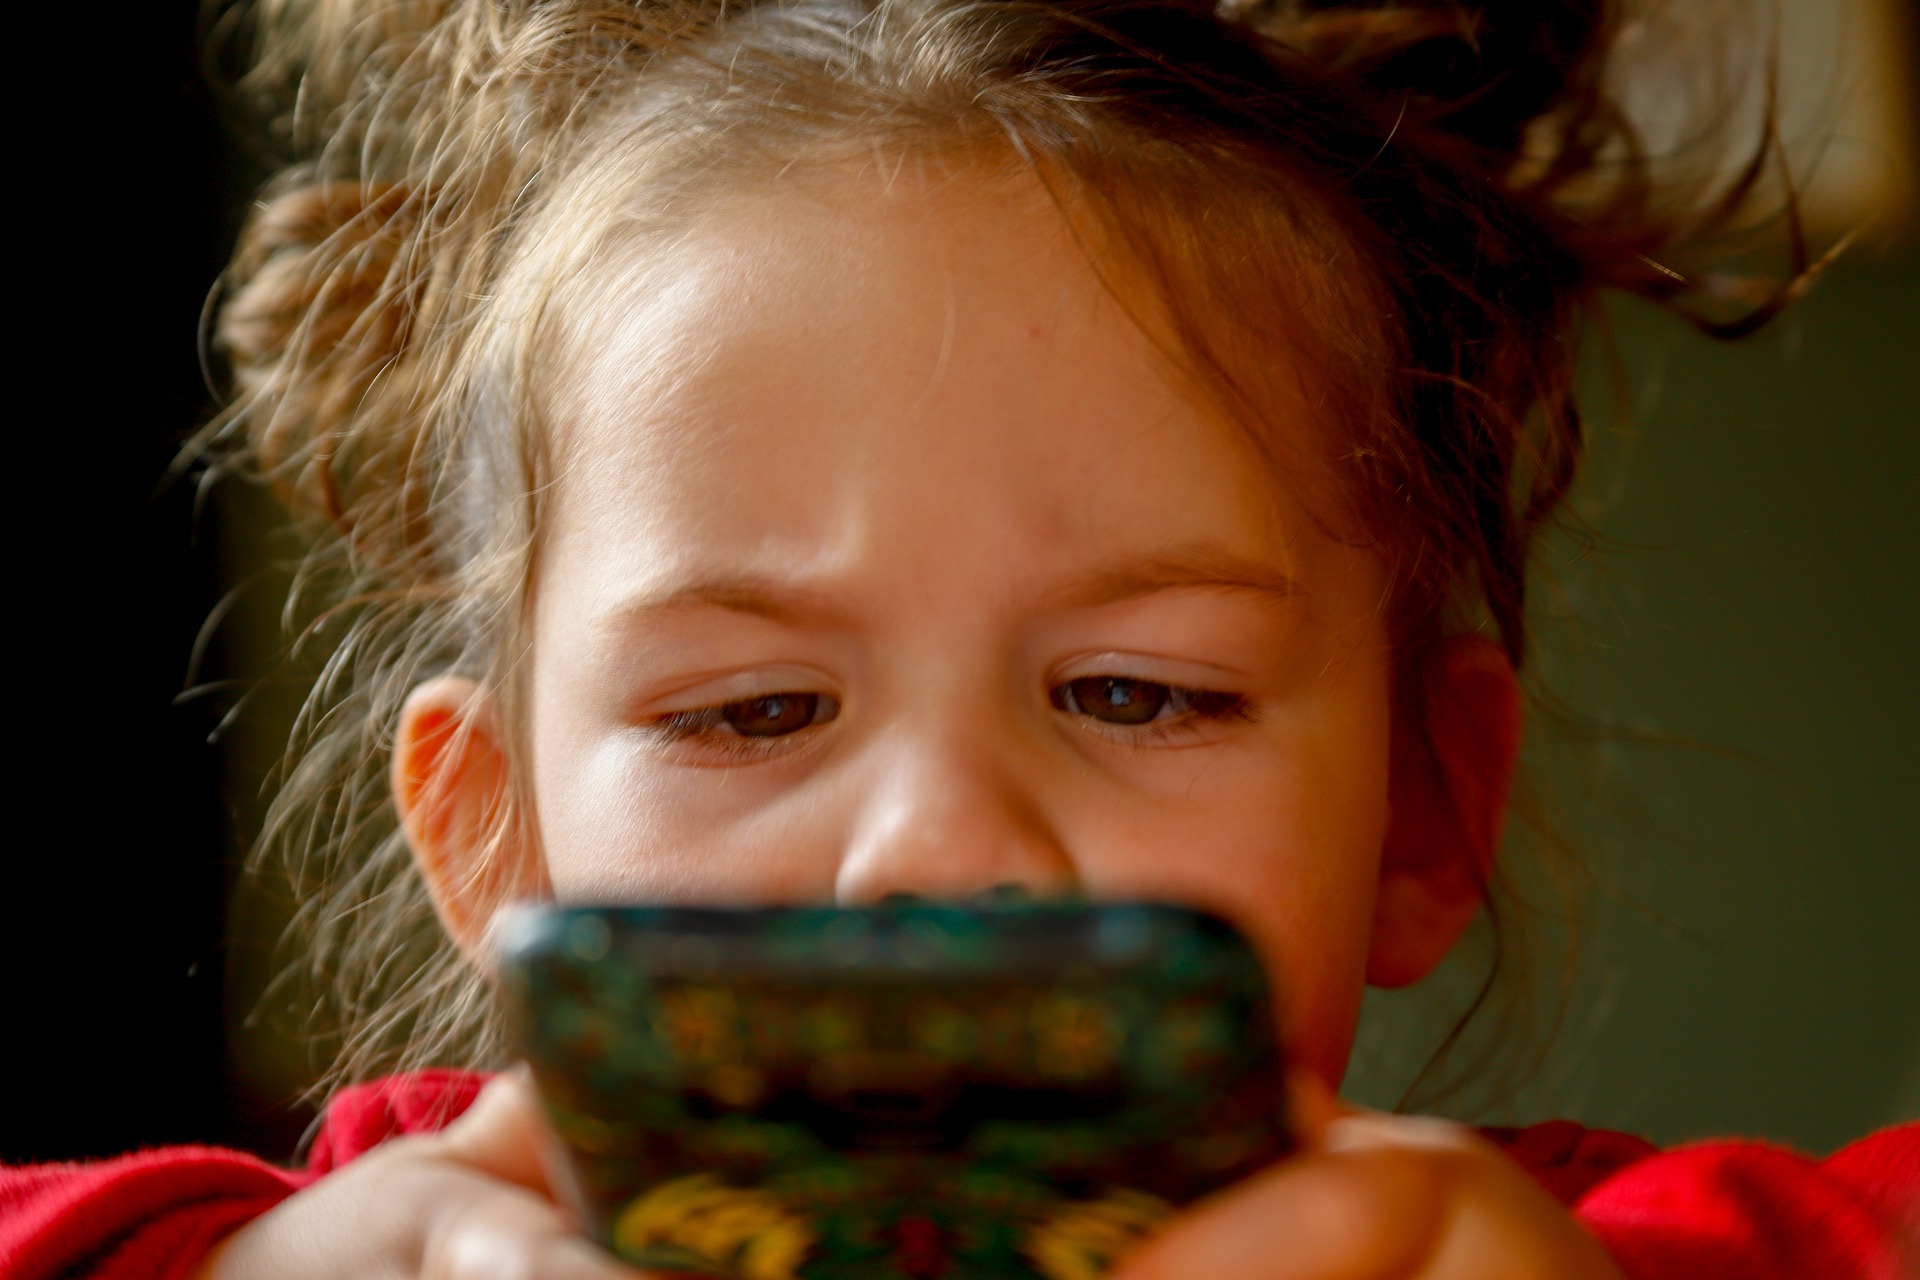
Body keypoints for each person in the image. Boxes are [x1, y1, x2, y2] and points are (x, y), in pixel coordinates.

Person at [3, 0, 1913, 1276]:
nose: (938, 846)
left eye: (1132, 690)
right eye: (752, 711)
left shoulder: (1534, 1251)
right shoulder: (408, 1241)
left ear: (1421, 804)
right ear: (491, 837)